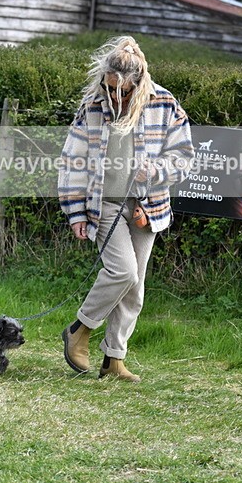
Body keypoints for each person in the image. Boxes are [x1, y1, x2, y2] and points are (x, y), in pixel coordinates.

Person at [58, 36, 194, 382]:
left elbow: (184, 157)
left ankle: (114, 359)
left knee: (135, 289)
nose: (116, 97)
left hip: (146, 207)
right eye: (110, 88)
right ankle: (80, 329)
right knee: (122, 272)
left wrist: (157, 170)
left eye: (123, 90)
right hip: (102, 204)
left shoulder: (163, 103)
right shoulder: (92, 105)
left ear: (138, 80)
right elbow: (72, 161)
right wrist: (75, 213)